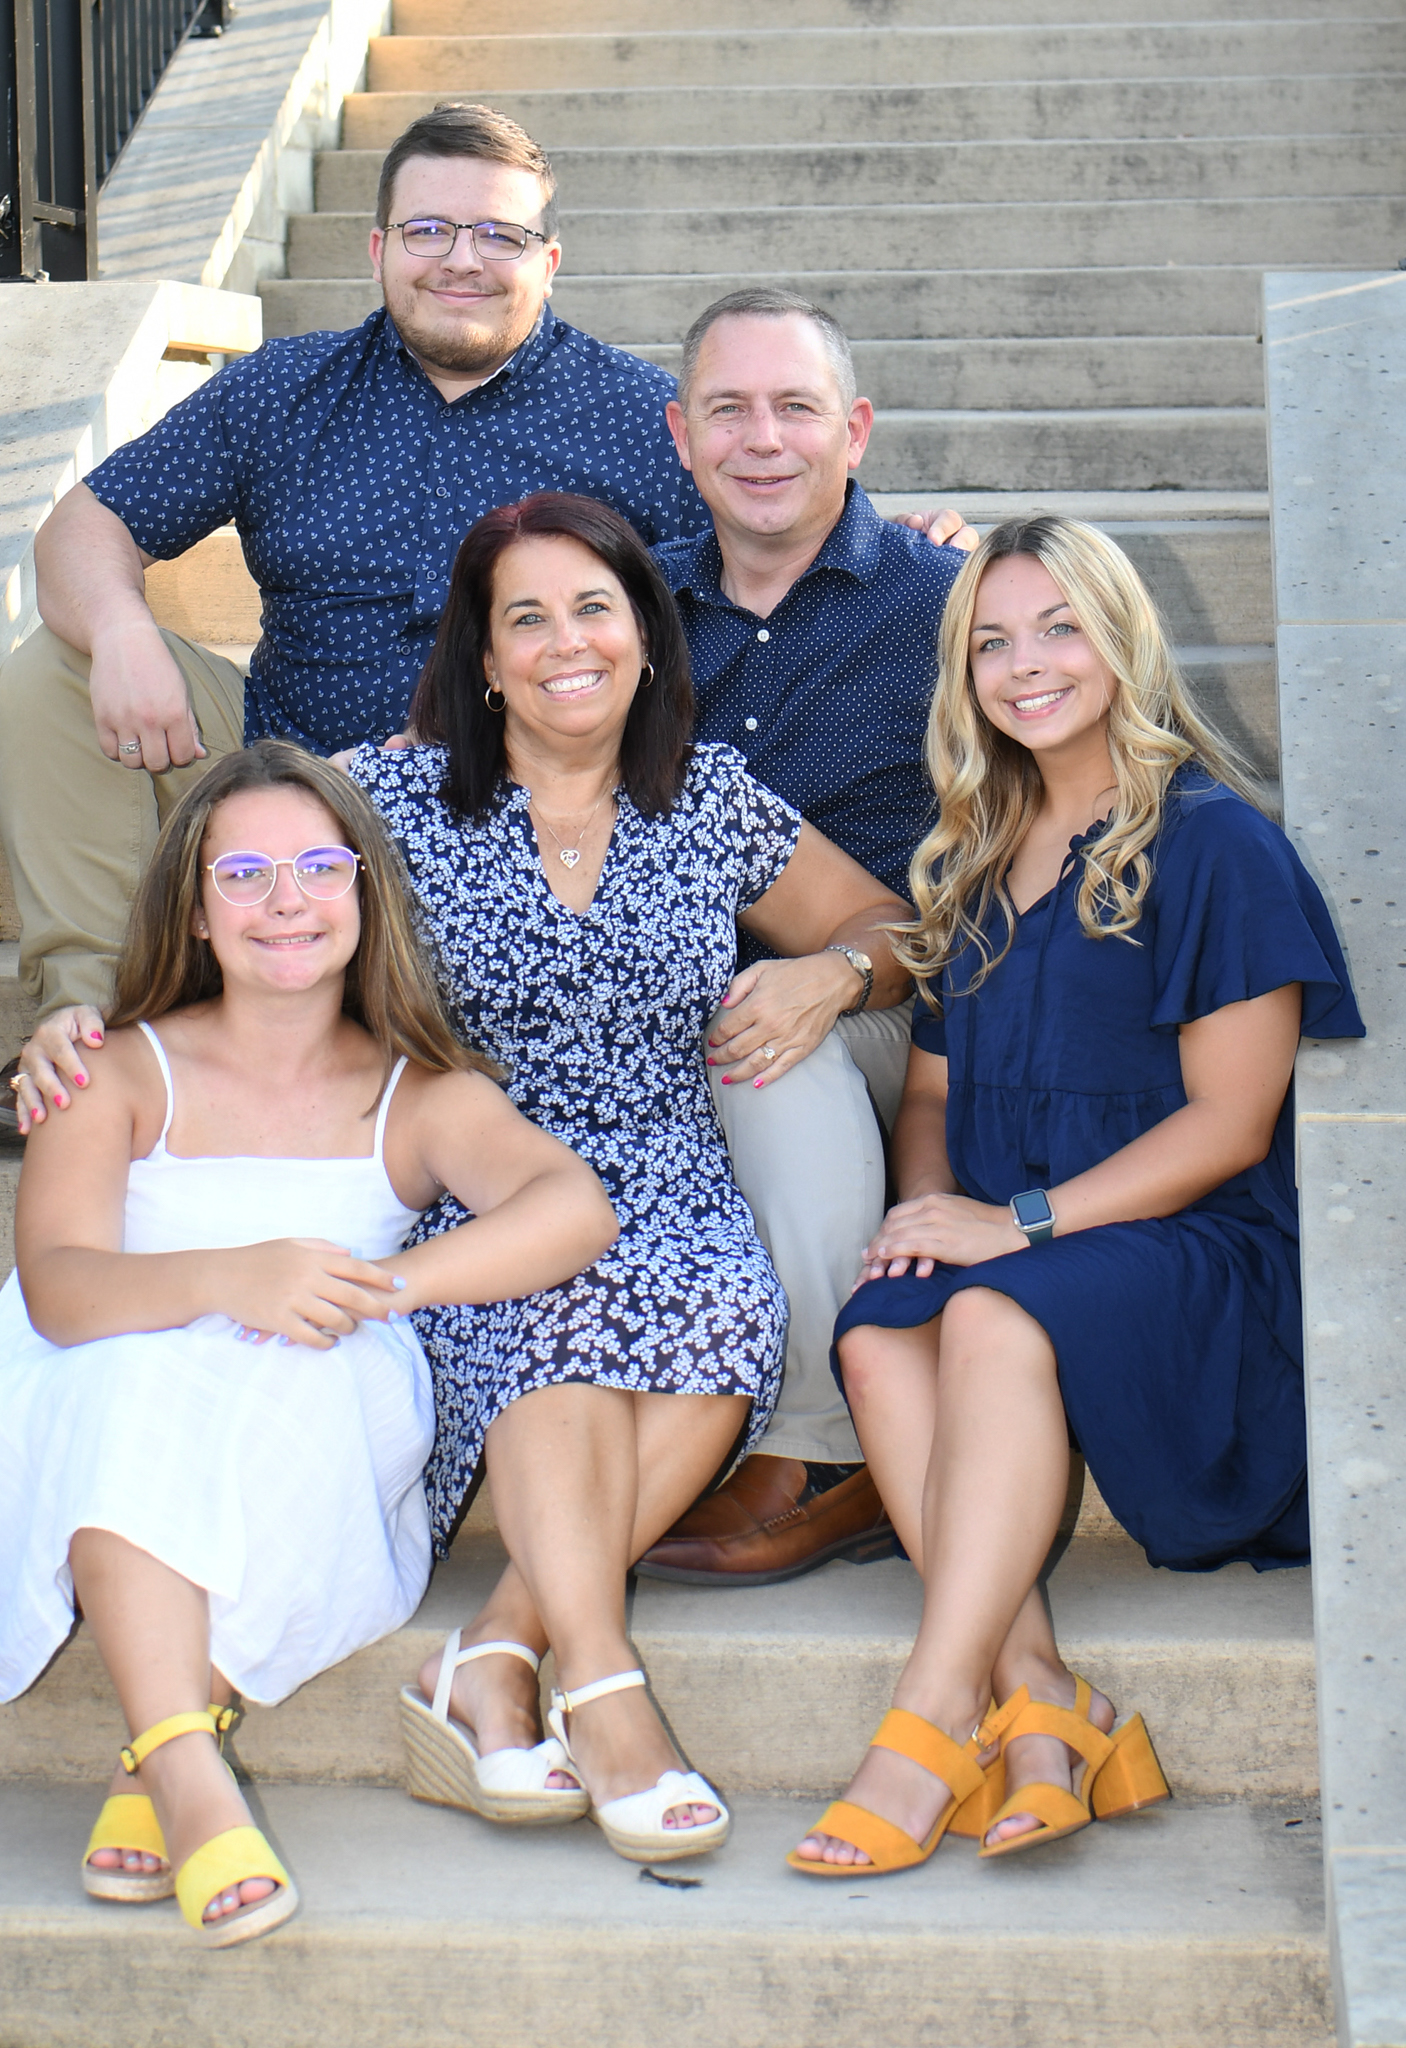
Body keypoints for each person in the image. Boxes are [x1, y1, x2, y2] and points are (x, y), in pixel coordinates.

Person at [0, 118, 967, 1148]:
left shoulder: (636, 415)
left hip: (522, 810)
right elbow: (86, 524)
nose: (462, 260)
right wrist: (124, 626)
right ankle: (85, 1028)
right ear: (379, 247)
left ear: (550, 260)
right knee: (57, 668)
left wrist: (924, 539)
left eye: (499, 235)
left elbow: (779, 506)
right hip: (295, 766)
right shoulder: (283, 390)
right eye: (429, 229)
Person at [0, 741, 618, 1945]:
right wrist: (234, 1277)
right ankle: (192, 1778)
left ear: (365, 889)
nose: (286, 899)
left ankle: (157, 1750)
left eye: (317, 865)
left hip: (314, 1373)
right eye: (244, 872)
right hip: (101, 1358)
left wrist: (387, 1285)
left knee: (306, 1393)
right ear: (195, 909)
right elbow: (59, 1290)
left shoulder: (416, 1093)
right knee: (138, 1393)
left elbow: (571, 1208)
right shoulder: (115, 1067)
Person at [789, 515, 1362, 1877]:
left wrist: (1015, 1227)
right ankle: (1041, 1698)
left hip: (1186, 1247)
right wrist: (924, 1217)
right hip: (1016, 1244)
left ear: (1120, 640)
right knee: (877, 1326)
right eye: (991, 639)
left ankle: (927, 1721)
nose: (1024, 662)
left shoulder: (1212, 843)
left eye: (1057, 628)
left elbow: (1228, 1126)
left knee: (986, 1321)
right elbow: (925, 1096)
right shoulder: (976, 850)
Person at [343, 492, 912, 1862]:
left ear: (649, 640)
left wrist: (827, 971)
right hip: (476, 1168)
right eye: (522, 618)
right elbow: (224, 906)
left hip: (666, 1159)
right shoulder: (384, 799)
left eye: (593, 608)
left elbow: (882, 920)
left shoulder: (703, 800)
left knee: (724, 1316)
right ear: (480, 661)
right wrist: (88, 1023)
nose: (562, 644)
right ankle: (604, 1694)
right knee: (559, 1322)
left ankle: (496, 1648)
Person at [638, 288, 976, 1588]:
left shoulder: (946, 607)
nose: (762, 438)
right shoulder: (630, 611)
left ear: (857, 428)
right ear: (680, 433)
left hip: (892, 1001)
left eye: (796, 407)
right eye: (729, 409)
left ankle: (827, 1447)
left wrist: (837, 973)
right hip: (667, 1006)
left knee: (762, 1041)